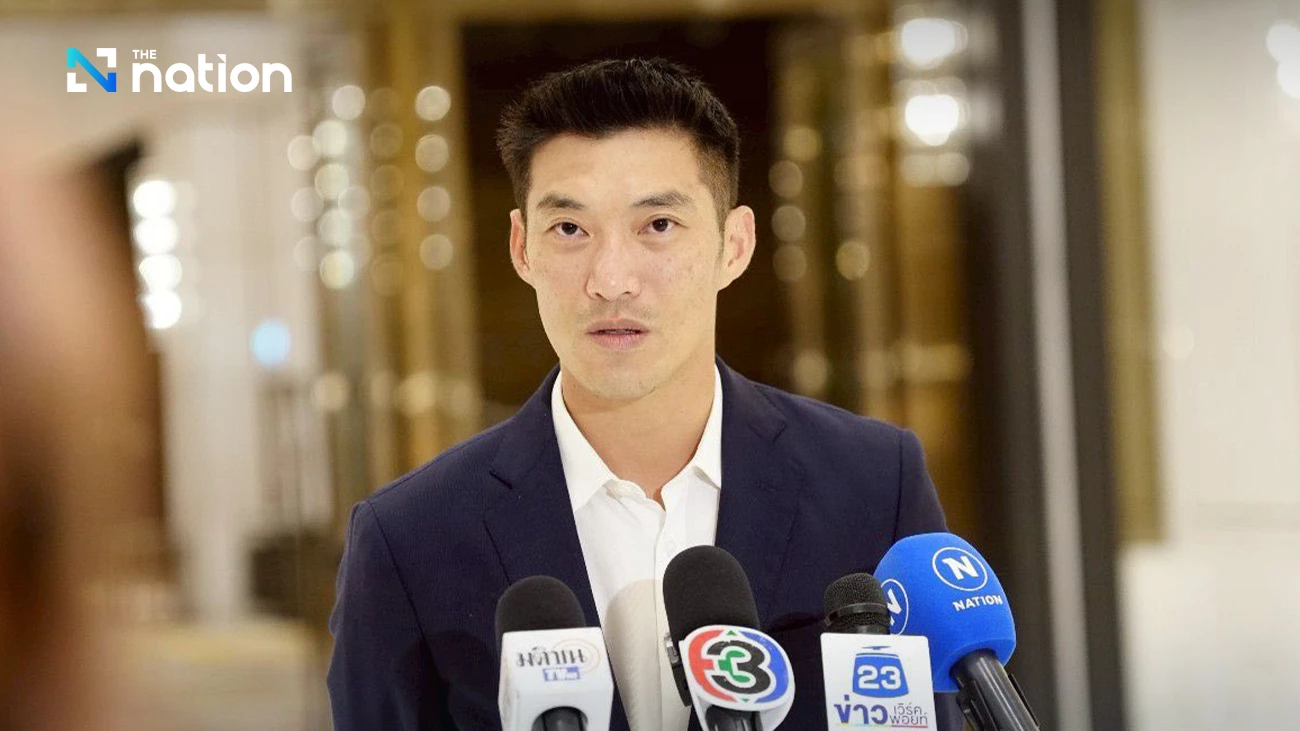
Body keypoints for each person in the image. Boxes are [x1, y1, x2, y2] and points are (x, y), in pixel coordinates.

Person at [328, 57, 954, 731]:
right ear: (522, 247)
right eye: (570, 229)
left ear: (735, 245)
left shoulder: (873, 484)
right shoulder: (411, 537)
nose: (611, 279)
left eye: (658, 225)